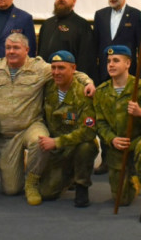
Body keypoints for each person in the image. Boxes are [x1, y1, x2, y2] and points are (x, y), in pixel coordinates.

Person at [0, 32, 94, 205]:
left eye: (16, 48)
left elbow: (69, 70)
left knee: (40, 140)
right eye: (8, 47)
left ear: (27, 50)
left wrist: (88, 83)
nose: (11, 51)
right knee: (11, 190)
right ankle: (25, 168)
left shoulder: (39, 68)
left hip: (31, 125)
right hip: (6, 136)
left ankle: (32, 181)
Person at [94, 45, 141, 223]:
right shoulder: (101, 92)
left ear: (128, 63)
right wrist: (111, 139)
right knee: (121, 200)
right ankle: (135, 180)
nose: (111, 64)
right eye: (108, 61)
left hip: (138, 140)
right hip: (117, 146)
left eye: (116, 60)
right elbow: (100, 123)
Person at [92, 0, 141, 175]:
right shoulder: (100, 15)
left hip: (128, 76)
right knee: (106, 116)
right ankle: (107, 159)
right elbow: (96, 45)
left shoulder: (136, 15)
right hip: (105, 74)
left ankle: (129, 160)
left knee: (126, 117)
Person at [37, 50, 98, 207]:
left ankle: (82, 185)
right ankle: (68, 176)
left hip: (74, 145)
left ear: (73, 68)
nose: (56, 72)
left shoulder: (83, 93)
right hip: (57, 151)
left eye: (61, 68)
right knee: (46, 193)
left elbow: (88, 131)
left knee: (87, 147)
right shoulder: (48, 87)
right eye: (53, 68)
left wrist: (57, 142)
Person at [37, 0, 96, 82]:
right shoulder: (47, 24)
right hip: (45, 79)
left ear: (74, 1)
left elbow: (85, 59)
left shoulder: (82, 25)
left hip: (70, 81)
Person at [93, 0, 141, 83]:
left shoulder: (136, 15)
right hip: (103, 73)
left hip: (128, 73)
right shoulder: (100, 15)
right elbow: (94, 46)